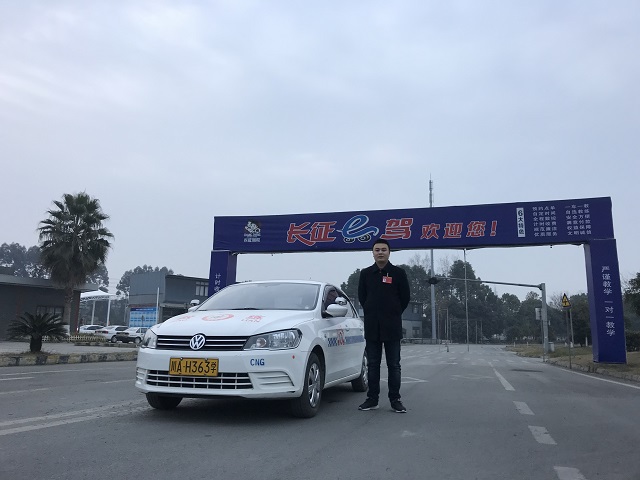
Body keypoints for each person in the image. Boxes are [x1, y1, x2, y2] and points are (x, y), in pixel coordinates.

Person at [357, 238, 411, 413]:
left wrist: (393, 312)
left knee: (394, 365)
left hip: (392, 326)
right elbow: (362, 297)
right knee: (373, 364)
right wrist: (372, 310)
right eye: (377, 250)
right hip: (372, 326)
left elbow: (405, 297)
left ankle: (395, 400)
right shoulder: (365, 274)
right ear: (372, 253)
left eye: (383, 249)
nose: (380, 252)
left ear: (389, 252)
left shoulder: (398, 273)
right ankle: (372, 399)